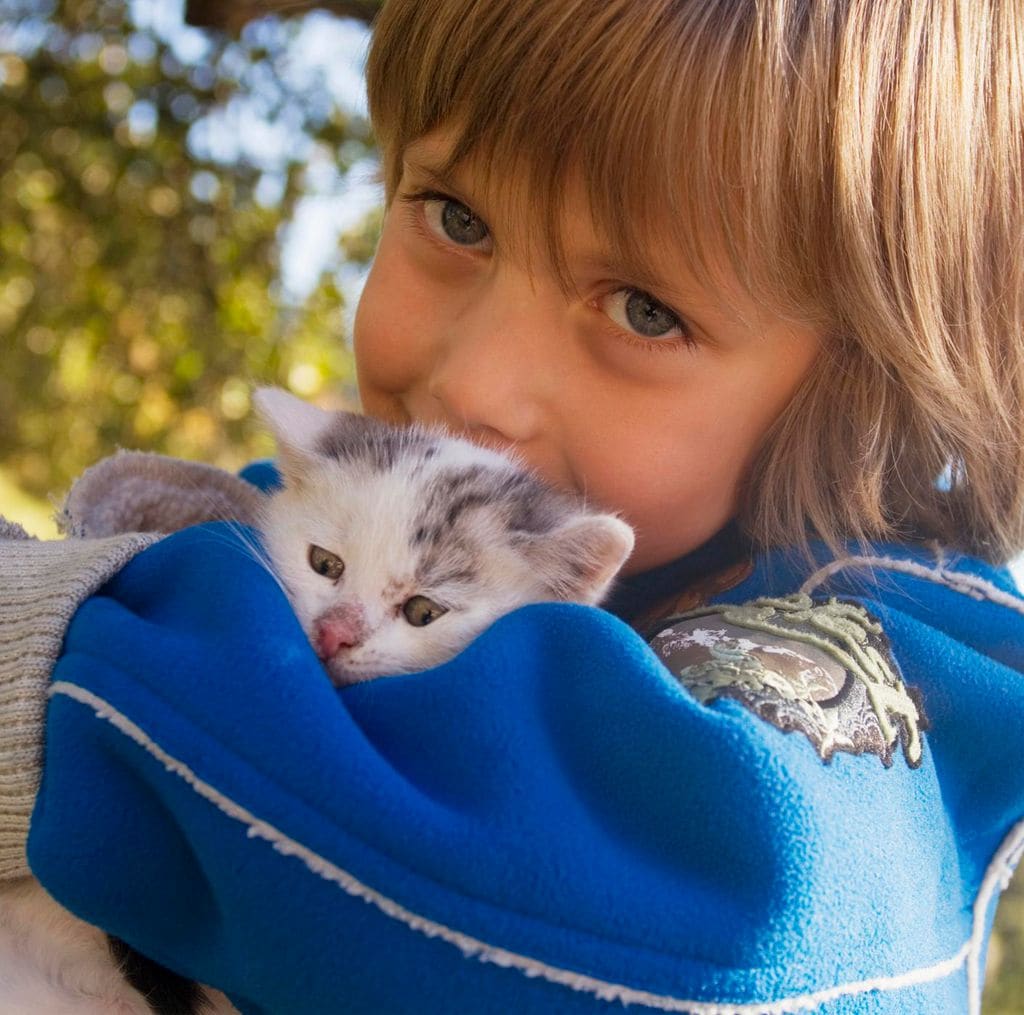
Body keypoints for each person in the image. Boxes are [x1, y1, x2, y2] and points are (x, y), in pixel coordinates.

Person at [1, 0, 1023, 1012]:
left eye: (643, 309)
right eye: (457, 219)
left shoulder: (901, 655)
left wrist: (76, 665)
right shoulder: (338, 514)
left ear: (856, 384)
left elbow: (681, 932)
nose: (480, 386)